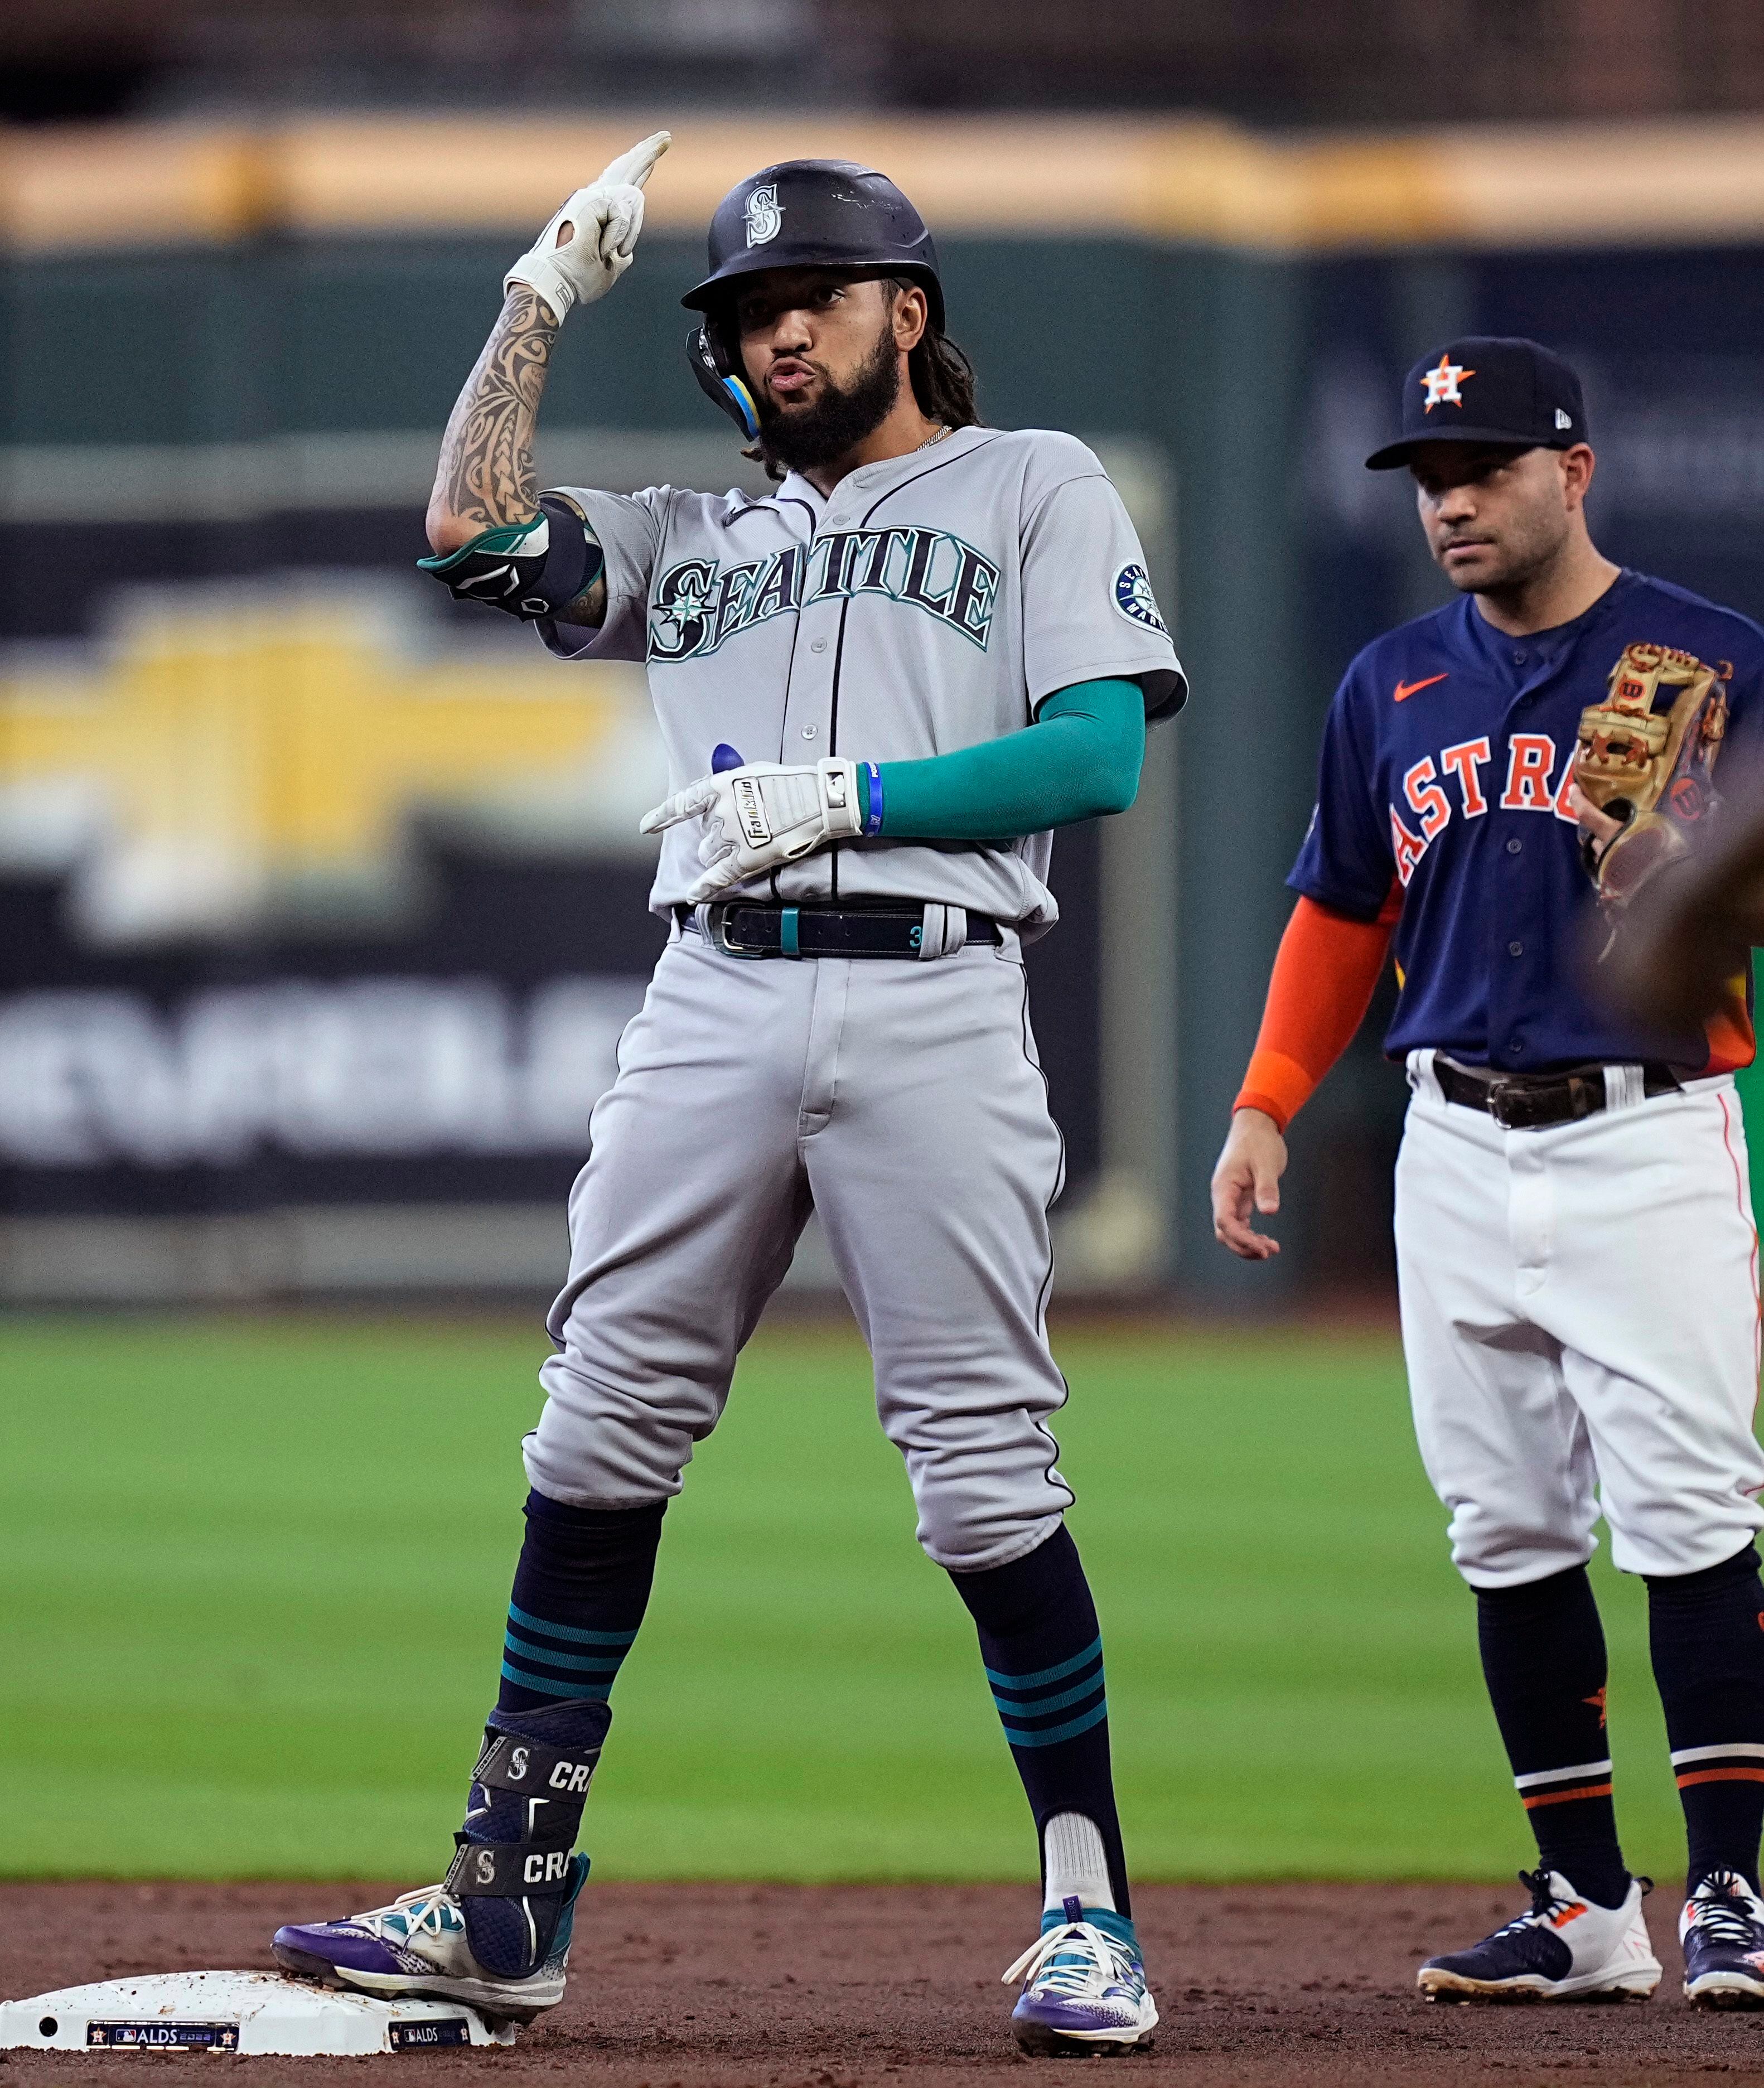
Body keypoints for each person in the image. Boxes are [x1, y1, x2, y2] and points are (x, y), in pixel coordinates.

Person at [270, 137, 1185, 2056]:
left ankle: (1087, 1908)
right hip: (713, 997)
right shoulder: (696, 534)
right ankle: (506, 1890)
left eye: (814, 300)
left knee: (980, 1475)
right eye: (750, 313)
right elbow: (464, 532)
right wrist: (534, 294)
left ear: (906, 312)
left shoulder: (1033, 483)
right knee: (595, 1434)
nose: (778, 334)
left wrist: (848, 796)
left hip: (933, 998)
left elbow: (1095, 754)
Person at [1212, 337, 1764, 2007]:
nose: (1451, 499)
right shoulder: (1388, 683)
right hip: (1447, 1139)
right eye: (1429, 477)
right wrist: (1264, 1100)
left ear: (1572, 472)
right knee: (1505, 1529)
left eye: (1487, 468)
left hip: (1647, 1129)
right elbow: (1339, 908)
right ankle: (1586, 1908)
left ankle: (1733, 1897)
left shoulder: (1710, 661)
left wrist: (1689, 879)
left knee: (1690, 1515)